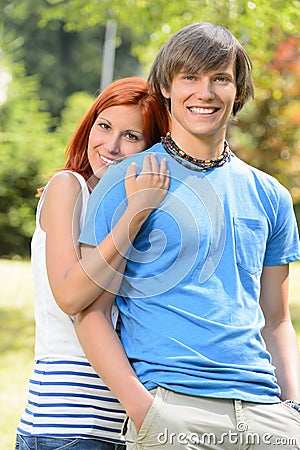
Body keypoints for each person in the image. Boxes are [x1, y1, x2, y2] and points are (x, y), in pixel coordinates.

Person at [76, 22, 300, 449]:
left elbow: (277, 321)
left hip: (269, 418)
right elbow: (91, 313)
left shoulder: (270, 194)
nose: (206, 93)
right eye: (190, 78)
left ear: (238, 89)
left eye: (220, 78)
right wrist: (146, 412)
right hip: (174, 411)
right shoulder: (127, 180)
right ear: (165, 85)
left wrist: (293, 410)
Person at [15, 77, 170, 450]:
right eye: (104, 126)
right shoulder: (69, 189)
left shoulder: (130, 210)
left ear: (151, 148)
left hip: (121, 426)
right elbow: (70, 296)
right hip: (66, 424)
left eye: (131, 136)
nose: (112, 146)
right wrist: (135, 212)